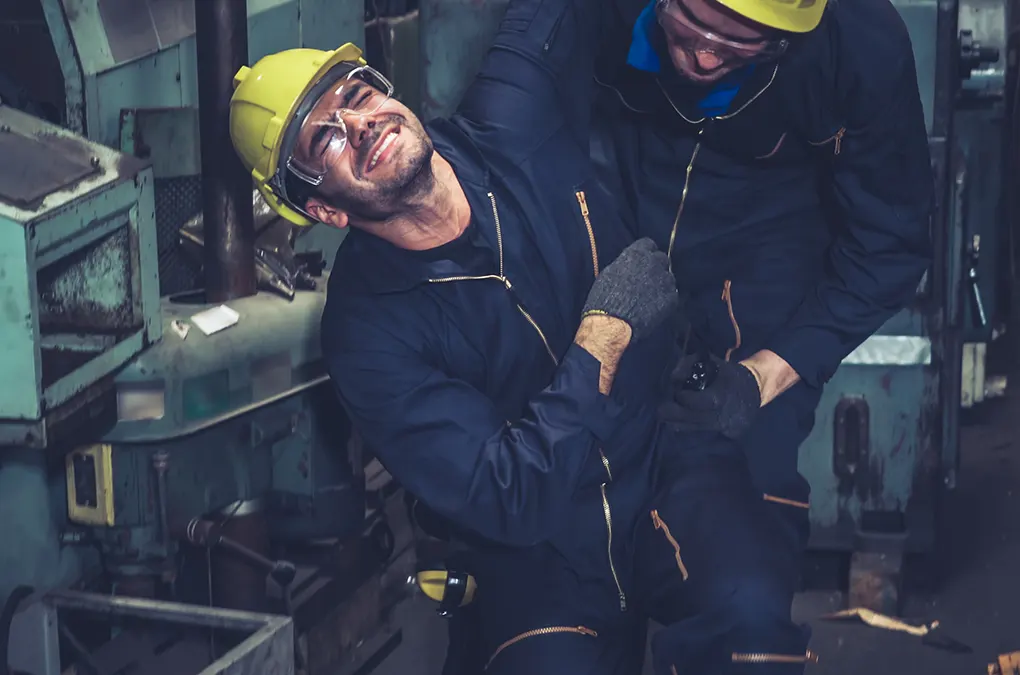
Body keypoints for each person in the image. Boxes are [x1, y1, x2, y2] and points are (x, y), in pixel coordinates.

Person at [226, 0, 814, 671]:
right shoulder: (368, 334)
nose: (360, 124)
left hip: (662, 456)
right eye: (323, 139)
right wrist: (605, 331)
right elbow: (510, 497)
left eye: (355, 94)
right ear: (322, 207)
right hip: (537, 547)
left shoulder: (515, 114)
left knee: (753, 631)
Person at [590, 0, 936, 556]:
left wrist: (760, 378)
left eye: (741, 42)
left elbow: (888, 246)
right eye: (694, 25)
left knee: (739, 528)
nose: (704, 58)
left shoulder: (859, 43)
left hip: (766, 251)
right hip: (615, 206)